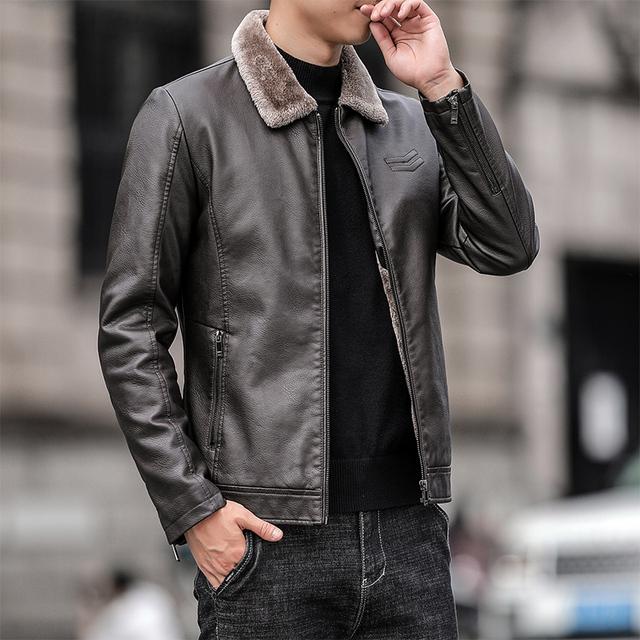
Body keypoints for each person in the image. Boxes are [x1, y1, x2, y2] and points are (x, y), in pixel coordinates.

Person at [97, 1, 540, 637]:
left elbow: (509, 244)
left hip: (409, 538)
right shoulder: (188, 116)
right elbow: (131, 328)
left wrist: (443, 86)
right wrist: (194, 507)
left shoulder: (408, 125)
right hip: (268, 545)